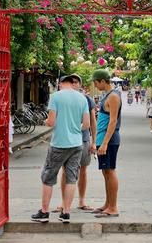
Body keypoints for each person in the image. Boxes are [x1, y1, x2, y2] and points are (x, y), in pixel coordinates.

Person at [31, 76, 90, 224]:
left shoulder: (55, 97)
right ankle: (66, 213)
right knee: (71, 178)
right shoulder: (82, 98)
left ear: (60, 84)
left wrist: (45, 122)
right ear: (72, 83)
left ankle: (44, 212)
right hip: (77, 144)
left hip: (59, 144)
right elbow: (86, 124)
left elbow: (51, 122)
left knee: (48, 178)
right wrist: (75, 129)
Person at [53, 74, 97, 213]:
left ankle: (81, 201)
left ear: (80, 85)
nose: (73, 84)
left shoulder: (87, 99)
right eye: (71, 82)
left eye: (76, 82)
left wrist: (94, 141)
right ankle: (63, 202)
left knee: (83, 170)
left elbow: (92, 121)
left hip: (83, 139)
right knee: (66, 171)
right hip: (65, 140)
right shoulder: (60, 99)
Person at [92, 69, 121, 218]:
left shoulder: (114, 96)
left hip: (108, 140)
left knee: (110, 171)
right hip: (102, 139)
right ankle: (107, 204)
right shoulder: (108, 96)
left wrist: (104, 143)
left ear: (103, 81)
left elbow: (113, 121)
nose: (96, 86)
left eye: (96, 83)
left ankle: (113, 207)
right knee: (105, 172)